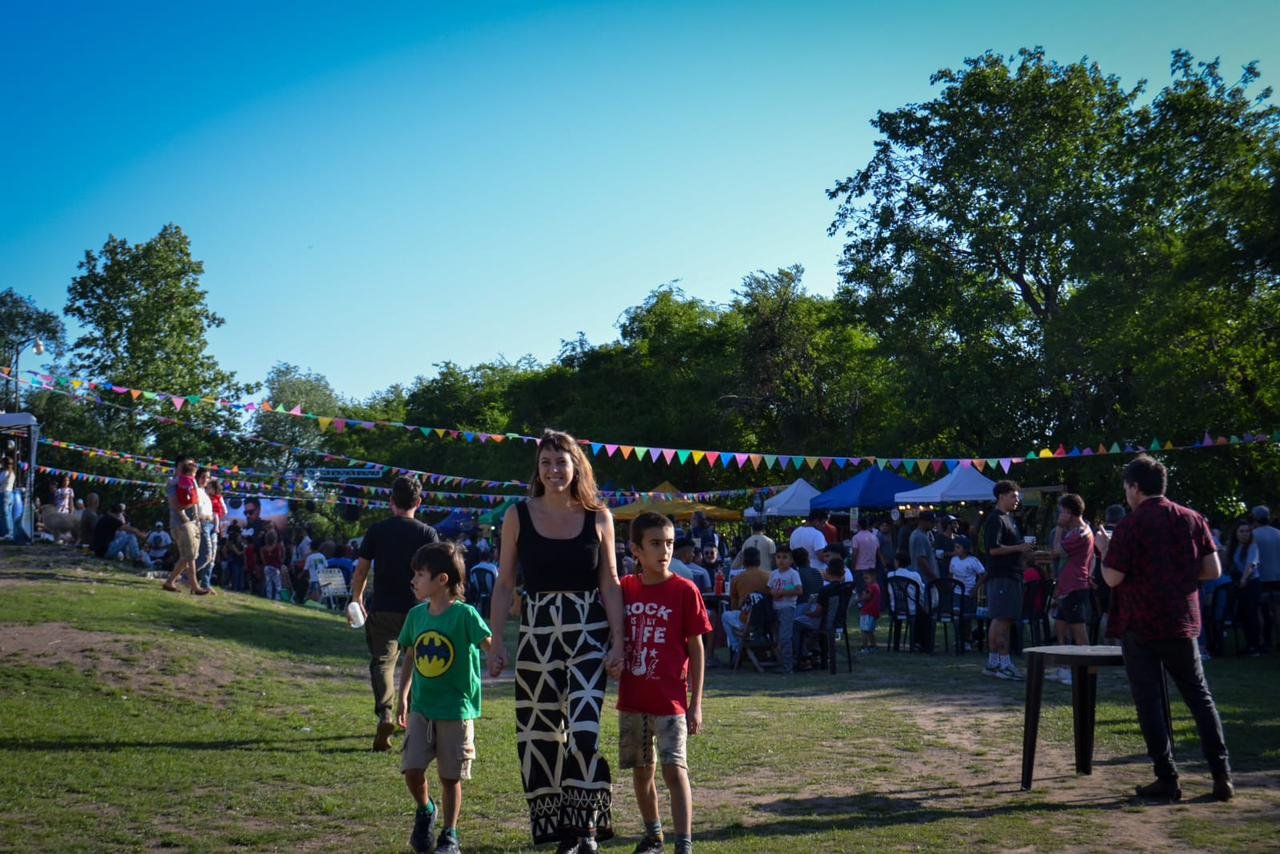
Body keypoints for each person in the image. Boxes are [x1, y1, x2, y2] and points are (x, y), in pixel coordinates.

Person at [485, 430, 625, 852]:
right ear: (538, 468)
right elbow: (505, 582)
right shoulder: (518, 515)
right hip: (537, 633)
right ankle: (563, 831)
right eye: (545, 463)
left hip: (588, 633)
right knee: (541, 736)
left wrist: (619, 641)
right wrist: (496, 644)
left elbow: (611, 582)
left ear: (576, 465)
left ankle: (586, 826)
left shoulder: (599, 516)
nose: (552, 471)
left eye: (560, 462)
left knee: (584, 731)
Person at [1095, 455, 1232, 801]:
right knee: (1200, 698)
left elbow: (1113, 578)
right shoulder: (1192, 518)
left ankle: (1167, 777)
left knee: (1150, 701)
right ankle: (1221, 776)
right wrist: (1177, 575)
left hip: (1140, 623)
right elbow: (1213, 570)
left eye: (1127, 487)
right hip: (1182, 621)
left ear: (1135, 488)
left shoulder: (1130, 525)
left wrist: (1104, 550)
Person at [613, 513, 710, 854]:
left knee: (674, 770)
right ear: (636, 550)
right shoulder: (624, 588)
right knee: (642, 773)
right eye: (655, 543)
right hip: (632, 700)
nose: (665, 550)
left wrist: (695, 703)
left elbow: (697, 649)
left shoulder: (685, 590)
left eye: (669, 543)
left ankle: (684, 843)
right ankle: (653, 835)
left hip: (671, 702)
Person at [395, 541, 493, 854]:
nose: (414, 581)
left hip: (456, 709)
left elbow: (489, 643)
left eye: (420, 574)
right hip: (422, 709)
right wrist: (403, 697)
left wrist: (498, 656)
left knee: (450, 778)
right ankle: (426, 810)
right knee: (412, 771)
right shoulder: (415, 616)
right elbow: (410, 655)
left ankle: (449, 835)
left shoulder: (465, 615)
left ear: (442, 580)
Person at [350, 476, 442, 751]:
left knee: (382, 662)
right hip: (419, 608)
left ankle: (386, 714)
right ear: (419, 502)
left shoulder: (377, 530)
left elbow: (362, 570)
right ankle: (415, 720)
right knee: (419, 664)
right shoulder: (427, 534)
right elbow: (437, 574)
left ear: (391, 502)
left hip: (383, 608)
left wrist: (356, 599)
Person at [981, 481, 1032, 679]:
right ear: (1001, 496)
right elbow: (993, 549)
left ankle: (994, 663)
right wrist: (1019, 548)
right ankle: (1003, 664)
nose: (1017, 500)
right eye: (1013, 496)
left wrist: (1025, 551)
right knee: (1001, 618)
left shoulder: (1009, 518)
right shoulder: (995, 519)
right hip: (1002, 575)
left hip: (1012, 575)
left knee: (1005, 618)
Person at [1048, 494, 1095, 685]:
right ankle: (1064, 668)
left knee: (1078, 630)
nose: (1060, 515)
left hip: (1075, 586)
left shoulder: (1080, 533)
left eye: (1061, 512)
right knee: (1060, 626)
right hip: (1067, 586)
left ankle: (1088, 671)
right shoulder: (1076, 531)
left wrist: (1059, 527)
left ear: (1068, 512)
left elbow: (1056, 551)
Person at [163, 457, 210, 595]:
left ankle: (171, 581)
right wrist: (184, 517)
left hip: (192, 522)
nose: (191, 466)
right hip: (180, 523)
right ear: (179, 466)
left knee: (190, 555)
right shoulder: (173, 483)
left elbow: (195, 502)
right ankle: (194, 586)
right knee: (189, 555)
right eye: (187, 464)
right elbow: (173, 503)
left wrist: (196, 519)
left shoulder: (192, 481)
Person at [721, 546, 769, 662]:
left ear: (744, 561)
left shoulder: (737, 579)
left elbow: (734, 605)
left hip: (747, 620)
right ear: (759, 560)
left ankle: (736, 646)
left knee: (726, 616)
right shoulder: (769, 576)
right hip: (768, 619)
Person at [1249, 505, 1280, 650]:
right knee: (1277, 609)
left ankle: (1263, 640)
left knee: (1260, 610)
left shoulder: (1253, 534)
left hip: (1261, 578)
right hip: (1278, 577)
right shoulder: (1278, 533)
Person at [768, 545, 802, 674]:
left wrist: (783, 591)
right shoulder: (773, 574)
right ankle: (780, 662)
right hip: (775, 608)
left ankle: (788, 666)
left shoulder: (793, 574)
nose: (781, 560)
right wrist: (773, 593)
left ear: (791, 560)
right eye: (778, 557)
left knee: (785, 637)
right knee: (776, 638)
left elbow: (798, 589)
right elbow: (769, 588)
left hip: (787, 607)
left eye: (785, 557)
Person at [193, 468, 218, 590]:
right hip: (202, 524)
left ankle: (204, 583)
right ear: (197, 477)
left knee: (210, 557)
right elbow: (196, 510)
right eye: (203, 477)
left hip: (210, 525)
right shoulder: (196, 491)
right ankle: (185, 576)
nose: (205, 480)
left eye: (207, 477)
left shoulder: (204, 493)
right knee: (206, 555)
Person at [909, 511, 940, 584]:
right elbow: (921, 561)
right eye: (931, 522)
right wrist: (934, 578)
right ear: (923, 522)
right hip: (924, 579)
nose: (933, 524)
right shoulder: (919, 536)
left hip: (925, 578)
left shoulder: (923, 534)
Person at [859, 569, 882, 652]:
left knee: (864, 630)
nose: (865, 581)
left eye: (867, 578)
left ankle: (864, 647)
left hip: (867, 611)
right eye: (864, 578)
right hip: (873, 612)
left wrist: (859, 599)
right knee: (870, 631)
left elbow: (867, 596)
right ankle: (873, 646)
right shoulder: (876, 586)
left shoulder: (872, 587)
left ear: (873, 577)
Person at [260, 528, 285, 601]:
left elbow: (263, 560)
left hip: (267, 567)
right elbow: (280, 559)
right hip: (276, 567)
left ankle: (269, 597)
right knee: (278, 584)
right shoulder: (277, 547)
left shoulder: (263, 549)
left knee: (268, 584)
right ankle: (277, 598)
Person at [0, 454, 15, 541]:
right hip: (10, 494)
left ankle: (6, 534)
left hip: (4, 494)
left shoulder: (4, 473)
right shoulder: (12, 473)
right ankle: (10, 533)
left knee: (4, 515)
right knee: (8, 515)